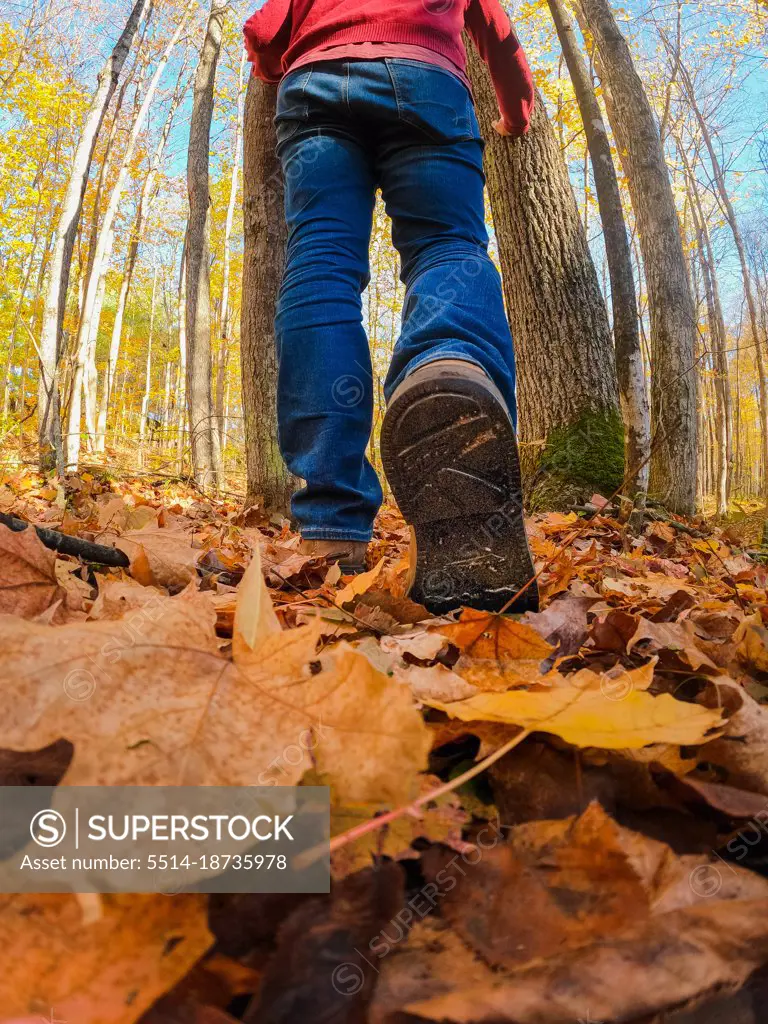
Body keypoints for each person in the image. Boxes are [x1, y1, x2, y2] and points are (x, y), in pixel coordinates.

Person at [244, 0, 539, 614]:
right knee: (446, 244)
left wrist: (283, 65)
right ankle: (448, 369)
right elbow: (500, 38)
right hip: (425, 77)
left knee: (321, 263)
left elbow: (264, 30)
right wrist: (515, 112)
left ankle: (329, 525)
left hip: (315, 87)